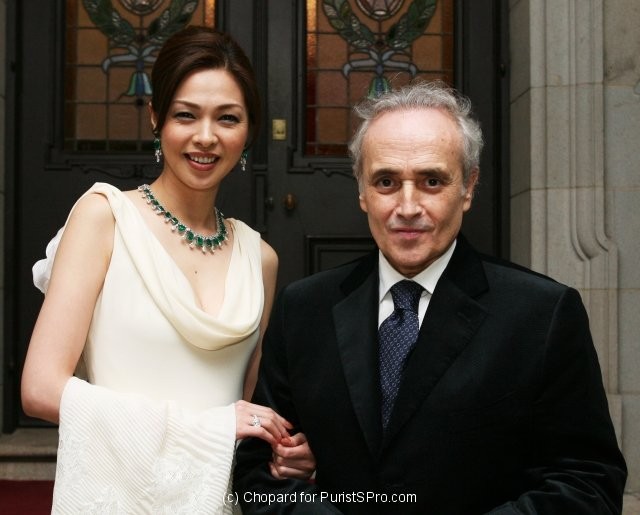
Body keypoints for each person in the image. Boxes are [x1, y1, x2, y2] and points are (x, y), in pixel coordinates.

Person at [233, 80, 627, 514]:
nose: (407, 207)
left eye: (432, 181)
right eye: (386, 181)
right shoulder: (304, 310)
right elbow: (257, 476)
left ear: (469, 187)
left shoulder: (542, 314)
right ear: (362, 191)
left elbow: (587, 483)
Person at [21, 26, 313, 513]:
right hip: (118, 498)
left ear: (249, 130)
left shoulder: (259, 257)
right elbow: (40, 389)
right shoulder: (105, 218)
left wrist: (284, 449)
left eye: (228, 118)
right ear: (156, 117)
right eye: (186, 115)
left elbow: (246, 414)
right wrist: (209, 428)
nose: (206, 136)